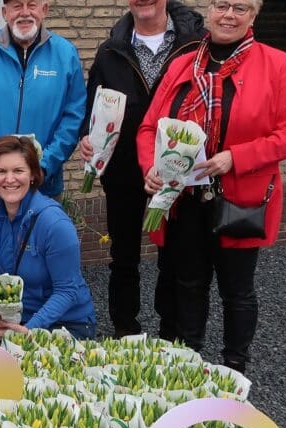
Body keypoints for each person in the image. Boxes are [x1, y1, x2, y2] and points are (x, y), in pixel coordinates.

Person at [138, 0, 286, 373]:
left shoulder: (276, 65)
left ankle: (234, 365)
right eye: (222, 5)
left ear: (255, 15)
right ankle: (190, 360)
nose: (229, 15)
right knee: (188, 282)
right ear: (210, 10)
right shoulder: (183, 64)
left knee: (237, 290)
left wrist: (237, 156)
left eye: (241, 8)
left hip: (239, 198)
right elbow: (150, 126)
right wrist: (150, 166)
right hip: (184, 198)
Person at [78, 0, 204, 339]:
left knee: (173, 255)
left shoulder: (195, 44)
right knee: (123, 257)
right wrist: (86, 140)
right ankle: (125, 330)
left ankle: (170, 333)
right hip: (122, 169)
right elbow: (94, 107)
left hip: (175, 169)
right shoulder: (111, 51)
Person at [0, 136, 96, 342]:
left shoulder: (55, 224)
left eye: (18, 171)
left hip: (60, 322)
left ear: (32, 175)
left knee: (24, 364)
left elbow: (66, 291)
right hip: (8, 317)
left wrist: (27, 330)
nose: (9, 179)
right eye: (1, 171)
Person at [0, 0, 85, 210]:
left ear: (44, 10)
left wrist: (43, 166)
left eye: (31, 4)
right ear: (5, 12)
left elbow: (73, 116)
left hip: (43, 185)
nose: (25, 13)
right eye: (17, 6)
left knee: (43, 243)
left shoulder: (65, 54)